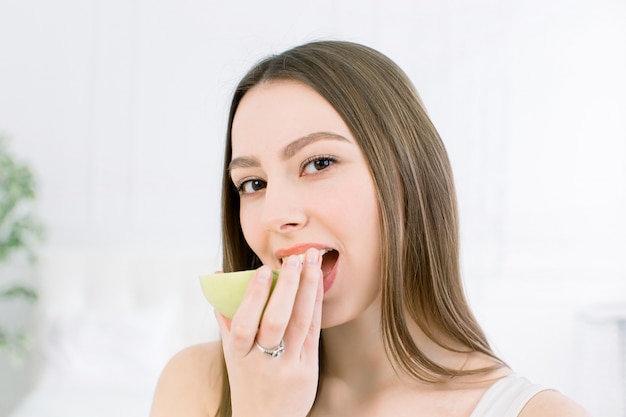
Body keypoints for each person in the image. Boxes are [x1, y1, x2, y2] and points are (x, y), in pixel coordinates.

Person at [149, 40, 590, 417]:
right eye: (253, 183)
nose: (275, 215)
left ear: (406, 180)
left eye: (318, 163)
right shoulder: (197, 387)